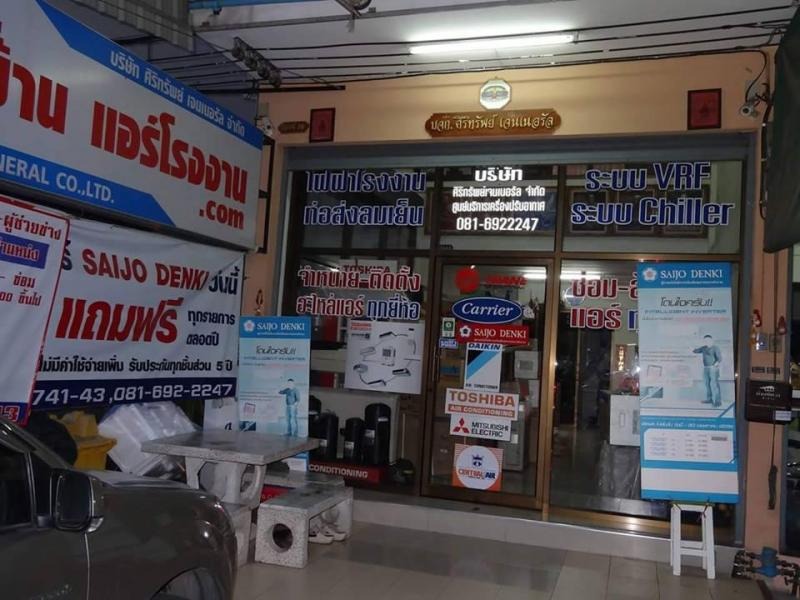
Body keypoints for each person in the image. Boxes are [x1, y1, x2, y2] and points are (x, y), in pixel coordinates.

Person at [693, 334, 722, 407]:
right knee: (707, 384)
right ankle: (709, 399)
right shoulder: (703, 348)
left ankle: (717, 402)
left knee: (714, 385)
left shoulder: (715, 348)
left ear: (711, 340)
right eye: (705, 340)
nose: (706, 341)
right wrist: (691, 347)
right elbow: (695, 351)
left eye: (708, 340)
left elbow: (719, 359)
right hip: (705, 368)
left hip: (713, 368)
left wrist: (715, 365)